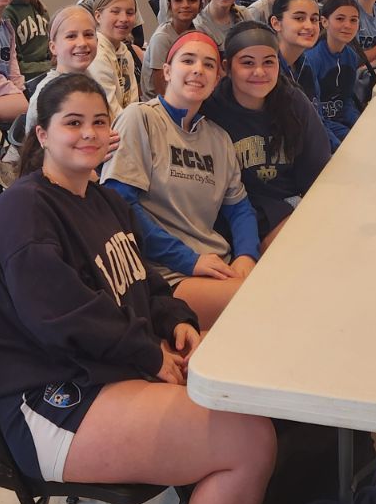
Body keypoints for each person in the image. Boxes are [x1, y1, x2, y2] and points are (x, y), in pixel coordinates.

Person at [0, 73, 275, 504]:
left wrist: (176, 320)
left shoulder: (105, 200)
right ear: (42, 134)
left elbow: (144, 281)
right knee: (248, 440)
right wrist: (148, 352)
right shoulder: (23, 209)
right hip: (48, 400)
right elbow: (57, 315)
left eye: (98, 121)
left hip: (103, 368)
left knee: (249, 396)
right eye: (73, 123)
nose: (89, 133)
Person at [102, 33, 261, 330]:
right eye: (188, 60)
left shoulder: (218, 137)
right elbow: (119, 205)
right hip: (168, 275)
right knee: (266, 306)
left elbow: (239, 209)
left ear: (217, 78)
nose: (198, 69)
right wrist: (188, 260)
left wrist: (246, 256)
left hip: (217, 263)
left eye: (209, 64)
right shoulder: (140, 119)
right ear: (167, 71)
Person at [201, 22, 331, 248]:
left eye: (269, 62)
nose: (259, 72)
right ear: (227, 67)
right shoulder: (210, 111)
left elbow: (317, 174)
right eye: (247, 63)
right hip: (233, 218)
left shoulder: (294, 103)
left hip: (288, 209)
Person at [302, 0, 363, 147]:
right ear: (324, 22)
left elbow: (346, 101)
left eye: (353, 20)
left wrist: (361, 125)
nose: (347, 25)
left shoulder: (351, 56)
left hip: (339, 122)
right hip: (320, 127)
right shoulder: (312, 59)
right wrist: (337, 143)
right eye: (340, 19)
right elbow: (314, 116)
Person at [89, 0, 143, 119]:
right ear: (98, 16)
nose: (124, 18)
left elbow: (133, 101)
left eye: (130, 13)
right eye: (115, 11)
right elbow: (110, 110)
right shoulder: (96, 54)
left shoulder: (125, 52)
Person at [146, 0, 204, 97]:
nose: (185, 5)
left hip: (185, 92)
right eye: (178, 0)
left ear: (200, 6)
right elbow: (161, 88)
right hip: (159, 102)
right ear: (169, 5)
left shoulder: (198, 32)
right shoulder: (162, 38)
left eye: (192, 0)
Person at [268, 0, 323, 104]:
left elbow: (316, 116)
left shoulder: (307, 64)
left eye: (314, 19)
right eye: (299, 18)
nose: (309, 26)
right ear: (276, 23)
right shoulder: (267, 70)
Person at [5, 0, 52, 84]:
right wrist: (51, 67)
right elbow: (13, 66)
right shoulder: (7, 13)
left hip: (46, 74)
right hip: (25, 81)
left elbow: (48, 48)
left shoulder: (40, 8)